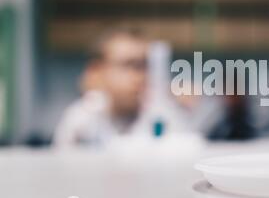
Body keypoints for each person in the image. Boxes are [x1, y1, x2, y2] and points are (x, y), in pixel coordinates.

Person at [53, 28, 188, 148]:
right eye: (129, 65)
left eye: (145, 65)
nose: (140, 76)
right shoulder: (81, 120)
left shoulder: (162, 116)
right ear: (97, 71)